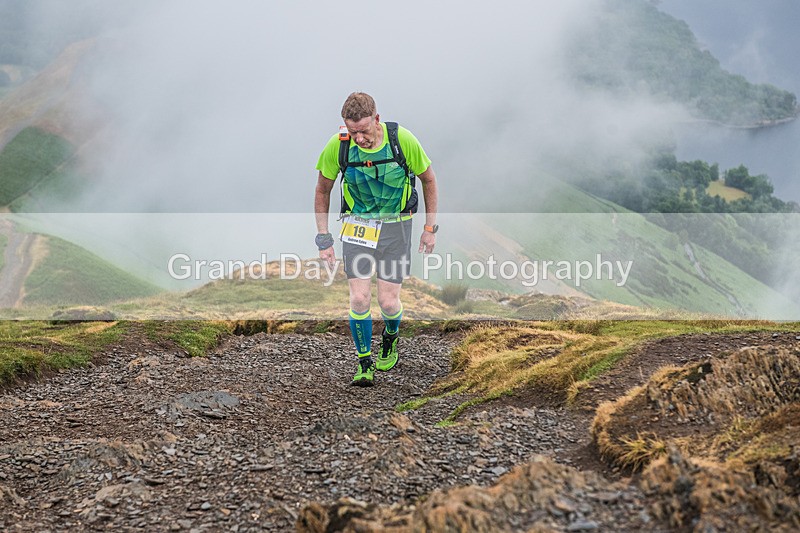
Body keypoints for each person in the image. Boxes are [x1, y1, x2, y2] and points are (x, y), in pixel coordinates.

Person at [314, 92, 439, 386]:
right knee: (359, 297)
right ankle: (364, 364)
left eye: (364, 130)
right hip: (358, 226)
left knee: (388, 301)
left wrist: (429, 228)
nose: (359, 138)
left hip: (397, 227)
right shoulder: (339, 147)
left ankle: (391, 337)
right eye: (352, 131)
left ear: (377, 120)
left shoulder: (402, 140)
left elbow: (429, 179)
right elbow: (322, 190)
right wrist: (324, 238)